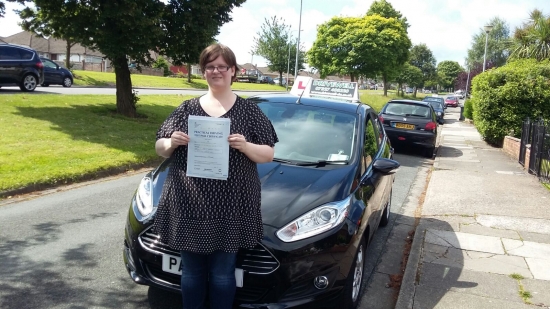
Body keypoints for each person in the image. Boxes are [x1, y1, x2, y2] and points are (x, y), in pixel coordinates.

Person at [153, 44, 278, 309]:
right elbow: (160, 148)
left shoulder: (249, 112)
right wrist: (171, 142)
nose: (216, 71)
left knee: (222, 274)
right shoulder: (187, 109)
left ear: (233, 71)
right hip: (189, 203)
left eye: (222, 66)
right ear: (204, 71)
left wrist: (245, 146)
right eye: (210, 66)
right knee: (191, 273)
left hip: (231, 205)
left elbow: (268, 154)